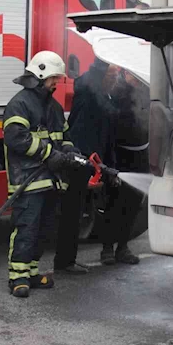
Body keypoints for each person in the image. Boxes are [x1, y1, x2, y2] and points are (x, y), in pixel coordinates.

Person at [3, 51, 83, 298]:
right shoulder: (20, 104)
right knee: (27, 227)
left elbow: (64, 137)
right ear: (39, 74)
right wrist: (50, 154)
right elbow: (16, 138)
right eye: (53, 79)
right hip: (27, 179)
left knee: (45, 229)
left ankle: (32, 272)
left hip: (51, 179)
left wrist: (69, 153)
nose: (56, 84)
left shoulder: (54, 107)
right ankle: (18, 277)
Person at [56, 58, 140, 272]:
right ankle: (65, 262)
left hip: (98, 162)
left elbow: (109, 135)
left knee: (100, 208)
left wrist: (109, 167)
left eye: (114, 76)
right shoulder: (87, 89)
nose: (113, 80)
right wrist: (106, 56)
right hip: (79, 160)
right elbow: (92, 76)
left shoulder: (106, 96)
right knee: (72, 212)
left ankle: (71, 260)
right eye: (110, 76)